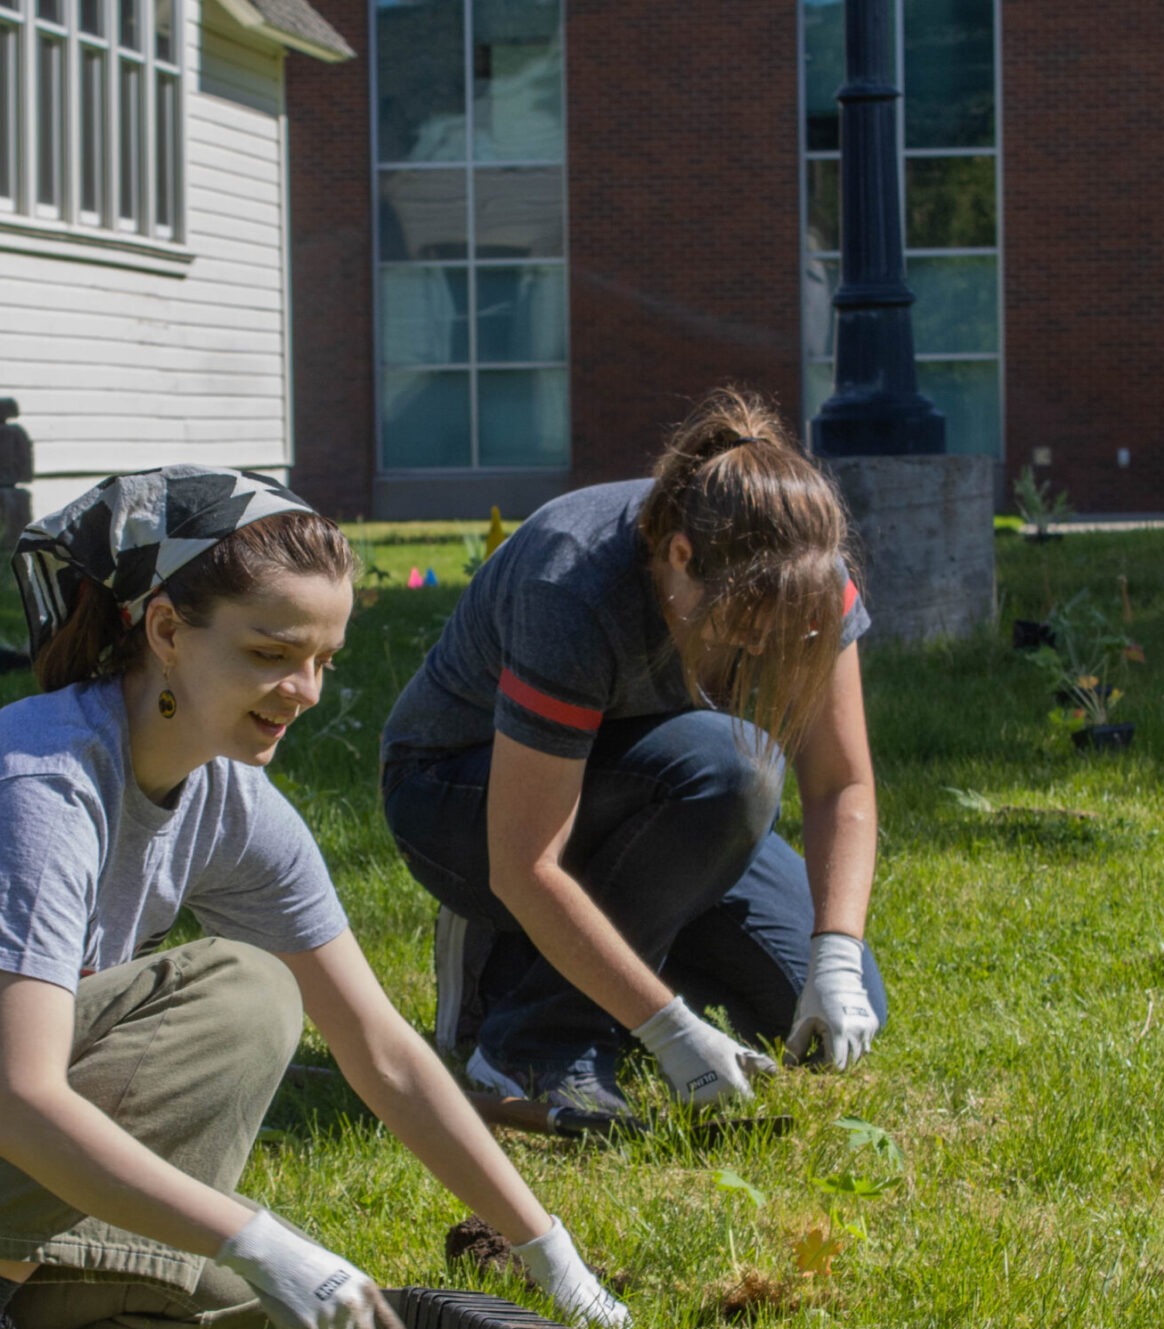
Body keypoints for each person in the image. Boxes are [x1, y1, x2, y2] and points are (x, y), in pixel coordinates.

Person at [0, 467, 627, 1329]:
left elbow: (382, 1050)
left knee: (250, 1298)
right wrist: (259, 1239)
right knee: (243, 996)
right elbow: (22, 1107)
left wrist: (549, 1253)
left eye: (325, 660)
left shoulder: (231, 802)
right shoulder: (41, 789)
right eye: (272, 653)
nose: (305, 690)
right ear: (167, 632)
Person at [380, 389, 888, 1123]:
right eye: (744, 626)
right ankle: (531, 1036)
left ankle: (601, 958)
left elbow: (841, 784)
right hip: (462, 799)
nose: (759, 649)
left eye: (786, 634)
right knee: (733, 768)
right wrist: (670, 1029)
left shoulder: (808, 576)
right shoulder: (574, 583)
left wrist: (834, 958)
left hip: (656, 798)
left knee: (830, 1009)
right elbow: (524, 863)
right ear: (680, 557)